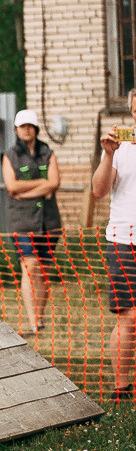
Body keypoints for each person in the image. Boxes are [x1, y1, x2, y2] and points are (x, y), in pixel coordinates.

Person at [91, 88, 136, 402]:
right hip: (124, 240)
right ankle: (121, 387)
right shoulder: (120, 147)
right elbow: (98, 191)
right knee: (129, 316)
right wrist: (107, 153)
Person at [1, 109, 61, 335]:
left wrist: (27, 192)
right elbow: (12, 186)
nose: (26, 129)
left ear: (36, 128)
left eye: (30, 125)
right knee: (30, 267)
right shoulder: (9, 155)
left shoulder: (48, 152)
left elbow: (54, 181)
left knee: (44, 270)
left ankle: (40, 316)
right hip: (22, 223)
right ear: (16, 130)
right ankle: (32, 320)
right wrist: (41, 185)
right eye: (21, 126)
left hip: (48, 221)